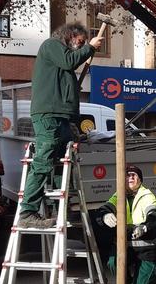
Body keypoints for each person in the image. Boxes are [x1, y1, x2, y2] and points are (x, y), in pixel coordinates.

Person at [18, 23, 103, 228]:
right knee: (44, 160)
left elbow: (67, 72)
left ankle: (60, 207)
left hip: (59, 117)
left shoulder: (61, 57)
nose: (80, 46)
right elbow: (69, 61)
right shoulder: (52, 46)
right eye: (80, 42)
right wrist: (90, 47)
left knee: (64, 158)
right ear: (70, 35)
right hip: (48, 115)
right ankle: (27, 211)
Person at [92, 165, 156, 284]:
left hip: (146, 249)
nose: (130, 177)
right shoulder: (119, 195)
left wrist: (145, 227)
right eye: (127, 175)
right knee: (113, 263)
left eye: (134, 175)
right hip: (125, 247)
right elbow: (103, 209)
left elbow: (155, 216)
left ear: (140, 180)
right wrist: (105, 216)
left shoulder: (147, 196)